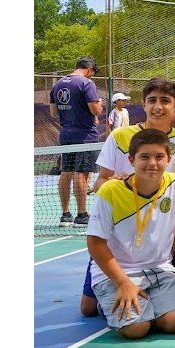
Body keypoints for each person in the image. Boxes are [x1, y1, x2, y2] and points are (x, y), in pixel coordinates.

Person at [82, 77, 175, 317]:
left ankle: (156, 302)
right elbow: (100, 182)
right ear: (143, 104)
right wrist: (115, 184)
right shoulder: (120, 136)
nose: (158, 107)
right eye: (152, 100)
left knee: (168, 313)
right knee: (88, 310)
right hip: (120, 232)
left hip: (160, 225)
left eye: (165, 101)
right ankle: (118, 291)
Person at [85, 129, 175, 339]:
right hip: (120, 273)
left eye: (159, 157)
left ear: (168, 159)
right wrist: (123, 283)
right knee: (136, 329)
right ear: (131, 159)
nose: (152, 163)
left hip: (159, 269)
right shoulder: (111, 191)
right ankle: (111, 304)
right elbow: (95, 243)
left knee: (174, 322)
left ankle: (152, 305)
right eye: (144, 157)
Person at [50, 56, 103, 227]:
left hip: (66, 135)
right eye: (92, 74)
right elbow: (95, 110)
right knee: (82, 173)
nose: (91, 77)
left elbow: (54, 113)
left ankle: (65, 215)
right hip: (85, 136)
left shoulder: (57, 84)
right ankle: (82, 215)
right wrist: (99, 105)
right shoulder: (87, 84)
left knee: (66, 172)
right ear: (89, 70)